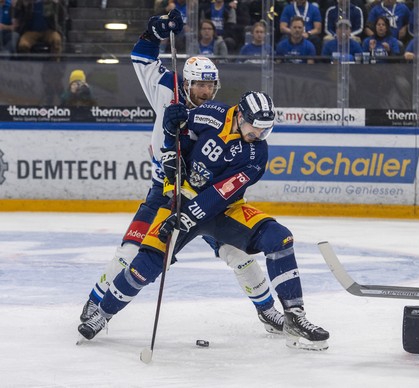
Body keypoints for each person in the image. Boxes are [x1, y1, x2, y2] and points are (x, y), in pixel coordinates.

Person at [78, 10, 285, 338]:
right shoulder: (165, 88)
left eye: (210, 84)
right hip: (164, 191)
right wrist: (154, 31)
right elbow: (141, 56)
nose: (205, 90)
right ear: (186, 82)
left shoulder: (218, 115)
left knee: (238, 254)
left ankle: (267, 310)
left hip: (206, 197)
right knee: (131, 252)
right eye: (199, 84)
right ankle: (96, 304)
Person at [78, 91, 330, 351]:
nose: (258, 137)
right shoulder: (210, 113)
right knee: (147, 262)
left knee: (280, 238)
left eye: (264, 133)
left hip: (224, 210)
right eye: (255, 131)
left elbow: (220, 193)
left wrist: (186, 217)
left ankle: (294, 314)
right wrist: (170, 129)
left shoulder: (257, 156)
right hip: (179, 201)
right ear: (240, 115)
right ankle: (103, 313)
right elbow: (179, 137)